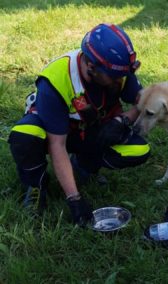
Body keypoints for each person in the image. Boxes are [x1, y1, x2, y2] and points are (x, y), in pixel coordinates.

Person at [8, 23, 151, 226]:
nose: (120, 80)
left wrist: (122, 120)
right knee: (25, 134)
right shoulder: (56, 79)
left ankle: (83, 168)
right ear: (91, 67)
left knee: (139, 149)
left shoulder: (116, 70)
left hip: (89, 128)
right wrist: (74, 200)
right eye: (115, 77)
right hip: (53, 132)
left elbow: (144, 101)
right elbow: (57, 145)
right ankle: (36, 186)